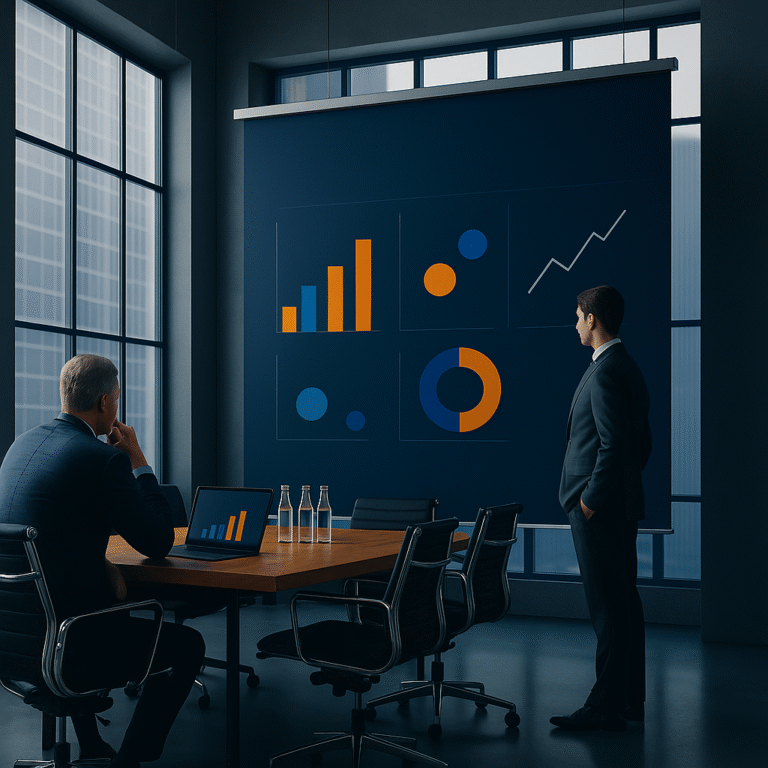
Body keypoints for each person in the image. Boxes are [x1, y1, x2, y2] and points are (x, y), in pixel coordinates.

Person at [0, 354, 205, 767]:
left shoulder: (21, 445)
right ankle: (129, 761)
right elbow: (159, 541)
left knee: (78, 610)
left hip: (13, 641)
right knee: (188, 646)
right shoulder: (102, 459)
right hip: (70, 643)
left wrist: (100, 562)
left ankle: (92, 746)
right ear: (106, 405)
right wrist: (139, 462)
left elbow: (46, 534)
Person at [551, 286, 651, 732]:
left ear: (593, 320)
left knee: (608, 608)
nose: (574, 324)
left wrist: (590, 500)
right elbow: (640, 446)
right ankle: (629, 699)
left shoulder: (608, 371)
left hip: (600, 510)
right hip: (619, 506)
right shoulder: (624, 366)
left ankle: (605, 705)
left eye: (577, 316)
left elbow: (613, 446)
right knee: (624, 602)